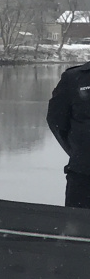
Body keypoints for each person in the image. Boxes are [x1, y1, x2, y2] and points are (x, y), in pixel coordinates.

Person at [47, 60, 90, 209]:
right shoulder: (73, 78)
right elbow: (56, 120)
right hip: (83, 177)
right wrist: (79, 152)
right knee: (77, 229)